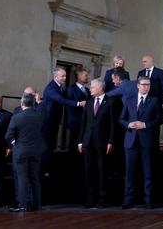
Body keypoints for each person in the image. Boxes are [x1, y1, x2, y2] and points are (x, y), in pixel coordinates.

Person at [119, 76, 163, 209]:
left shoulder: (154, 100)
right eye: (144, 84)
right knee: (130, 173)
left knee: (148, 172)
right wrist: (129, 124)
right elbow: (121, 119)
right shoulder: (130, 100)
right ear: (138, 86)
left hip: (147, 141)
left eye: (148, 85)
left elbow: (160, 119)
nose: (146, 87)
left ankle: (148, 200)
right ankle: (128, 200)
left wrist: (144, 125)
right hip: (131, 141)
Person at [6, 93, 46, 212]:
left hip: (21, 151)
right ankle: (36, 204)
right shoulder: (40, 115)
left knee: (22, 178)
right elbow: (43, 107)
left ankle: (22, 204)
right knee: (34, 178)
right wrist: (39, 101)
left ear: (22, 103)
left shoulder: (17, 117)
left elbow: (8, 136)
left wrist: (15, 143)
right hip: (36, 151)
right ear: (33, 103)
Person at [78, 79, 115, 209]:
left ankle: (102, 200)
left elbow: (112, 124)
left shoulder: (110, 102)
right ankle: (90, 200)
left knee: (102, 172)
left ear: (100, 88)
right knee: (89, 172)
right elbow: (84, 123)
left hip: (102, 143)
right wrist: (80, 141)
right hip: (88, 143)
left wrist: (111, 141)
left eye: (92, 87)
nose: (90, 89)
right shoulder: (88, 103)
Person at [42, 67, 85, 177]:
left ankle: (47, 169)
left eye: (65, 75)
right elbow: (61, 100)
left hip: (54, 121)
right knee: (47, 147)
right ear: (55, 76)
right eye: (63, 76)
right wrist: (78, 104)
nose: (65, 78)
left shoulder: (59, 86)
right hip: (48, 122)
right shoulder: (52, 88)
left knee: (51, 146)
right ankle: (44, 170)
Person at [66, 68, 91, 154]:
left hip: (86, 122)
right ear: (79, 76)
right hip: (75, 122)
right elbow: (68, 104)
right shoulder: (70, 89)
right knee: (74, 145)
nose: (88, 77)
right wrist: (79, 104)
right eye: (86, 75)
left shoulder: (88, 90)